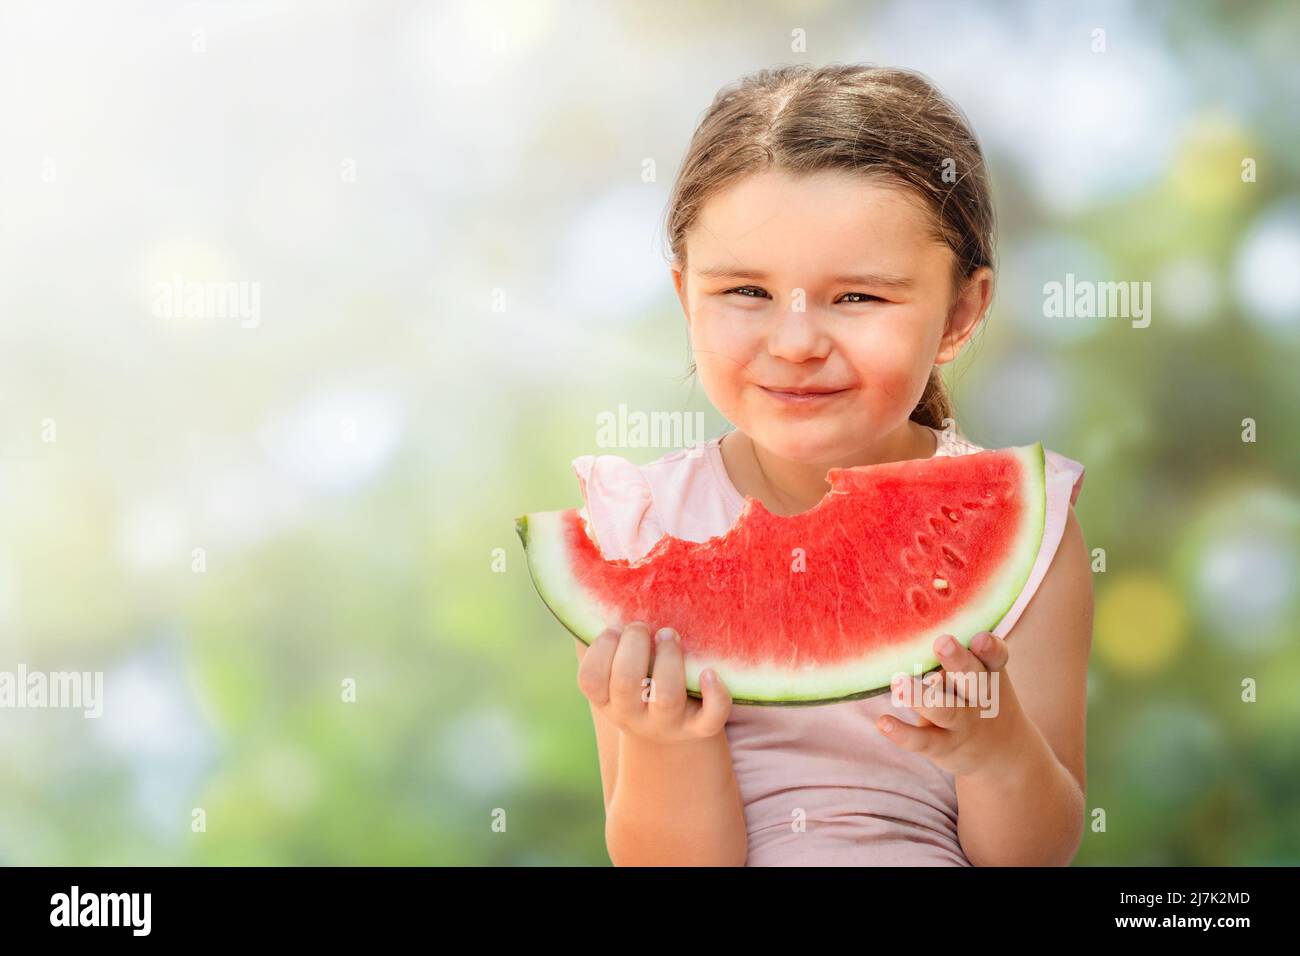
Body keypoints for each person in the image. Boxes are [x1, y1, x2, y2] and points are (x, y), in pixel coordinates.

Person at [571, 64, 1091, 866]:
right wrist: (662, 742)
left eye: (858, 298)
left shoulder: (1034, 526)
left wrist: (999, 752)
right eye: (746, 290)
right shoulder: (636, 532)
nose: (796, 342)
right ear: (685, 297)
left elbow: (1030, 859)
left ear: (960, 313)